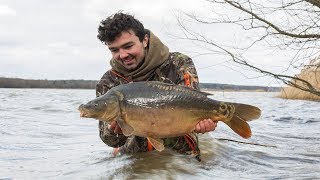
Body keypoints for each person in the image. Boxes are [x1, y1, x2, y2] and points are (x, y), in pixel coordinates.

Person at [95, 12, 217, 161]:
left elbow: (194, 105)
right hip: (135, 161)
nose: (123, 55)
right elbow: (109, 140)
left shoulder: (178, 63)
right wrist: (115, 131)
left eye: (128, 46)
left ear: (145, 40)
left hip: (181, 159)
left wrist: (203, 124)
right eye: (114, 50)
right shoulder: (109, 81)